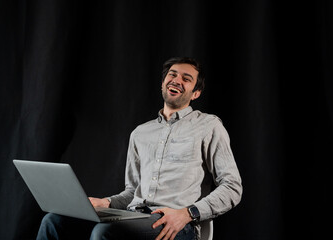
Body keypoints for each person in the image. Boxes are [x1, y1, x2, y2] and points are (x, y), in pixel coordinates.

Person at [37, 57, 242, 240]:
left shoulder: (209, 125)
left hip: (176, 223)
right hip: (133, 215)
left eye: (186, 79)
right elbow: (132, 192)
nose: (177, 80)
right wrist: (105, 202)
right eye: (172, 75)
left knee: (104, 233)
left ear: (195, 93)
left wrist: (188, 213)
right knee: (53, 220)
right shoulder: (140, 133)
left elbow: (232, 187)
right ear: (163, 83)